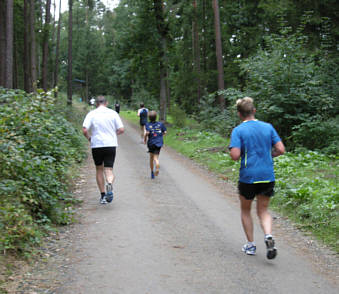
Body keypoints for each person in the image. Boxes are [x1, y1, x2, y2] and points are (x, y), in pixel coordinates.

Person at [229, 97, 285, 259]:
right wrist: (270, 155)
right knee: (263, 210)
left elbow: (235, 155)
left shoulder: (238, 131)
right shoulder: (268, 127)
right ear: (254, 111)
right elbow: (281, 149)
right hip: (267, 175)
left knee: (246, 210)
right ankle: (268, 235)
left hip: (248, 176)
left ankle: (251, 245)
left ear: (240, 114)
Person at [82, 96, 124, 204]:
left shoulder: (91, 114)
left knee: (99, 169)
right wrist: (114, 134)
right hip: (110, 144)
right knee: (109, 169)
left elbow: (85, 129)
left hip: (96, 144)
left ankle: (103, 196)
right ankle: (109, 183)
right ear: (107, 103)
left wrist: (89, 138)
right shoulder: (113, 113)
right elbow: (121, 129)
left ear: (96, 103)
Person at [144, 111, 167, 179]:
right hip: (159, 142)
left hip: (151, 142)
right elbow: (165, 132)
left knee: (151, 158)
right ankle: (157, 164)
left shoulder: (147, 124)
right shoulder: (161, 124)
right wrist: (160, 136)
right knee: (156, 157)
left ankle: (152, 172)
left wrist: (145, 139)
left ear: (149, 118)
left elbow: (147, 133)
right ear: (156, 117)